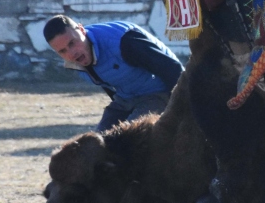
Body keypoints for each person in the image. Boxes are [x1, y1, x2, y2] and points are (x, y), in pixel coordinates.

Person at [45, 14, 183, 131]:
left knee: (130, 138)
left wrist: (183, 108)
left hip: (158, 93)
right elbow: (108, 84)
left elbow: (173, 69)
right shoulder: (75, 63)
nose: (71, 53)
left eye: (72, 43)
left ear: (82, 30)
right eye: (62, 51)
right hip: (125, 99)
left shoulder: (124, 41)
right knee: (98, 143)